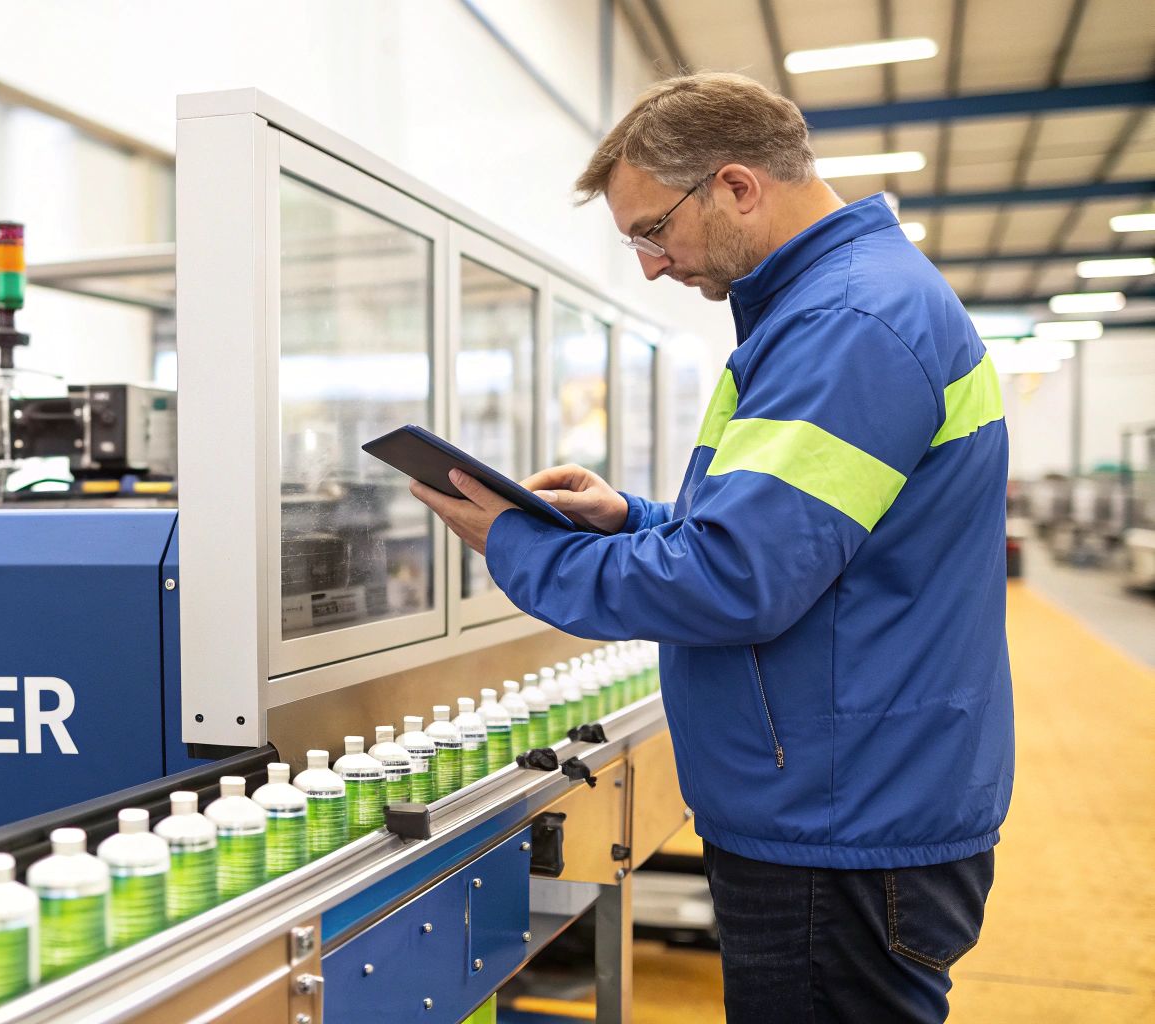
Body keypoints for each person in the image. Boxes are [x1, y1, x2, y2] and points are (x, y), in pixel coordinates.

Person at [409, 72, 1011, 1024]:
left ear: (735, 187)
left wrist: (519, 545)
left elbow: (739, 581)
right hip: (843, 793)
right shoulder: (835, 309)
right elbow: (806, 541)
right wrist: (633, 521)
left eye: (653, 231)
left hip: (839, 817)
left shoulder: (844, 324)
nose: (651, 264)